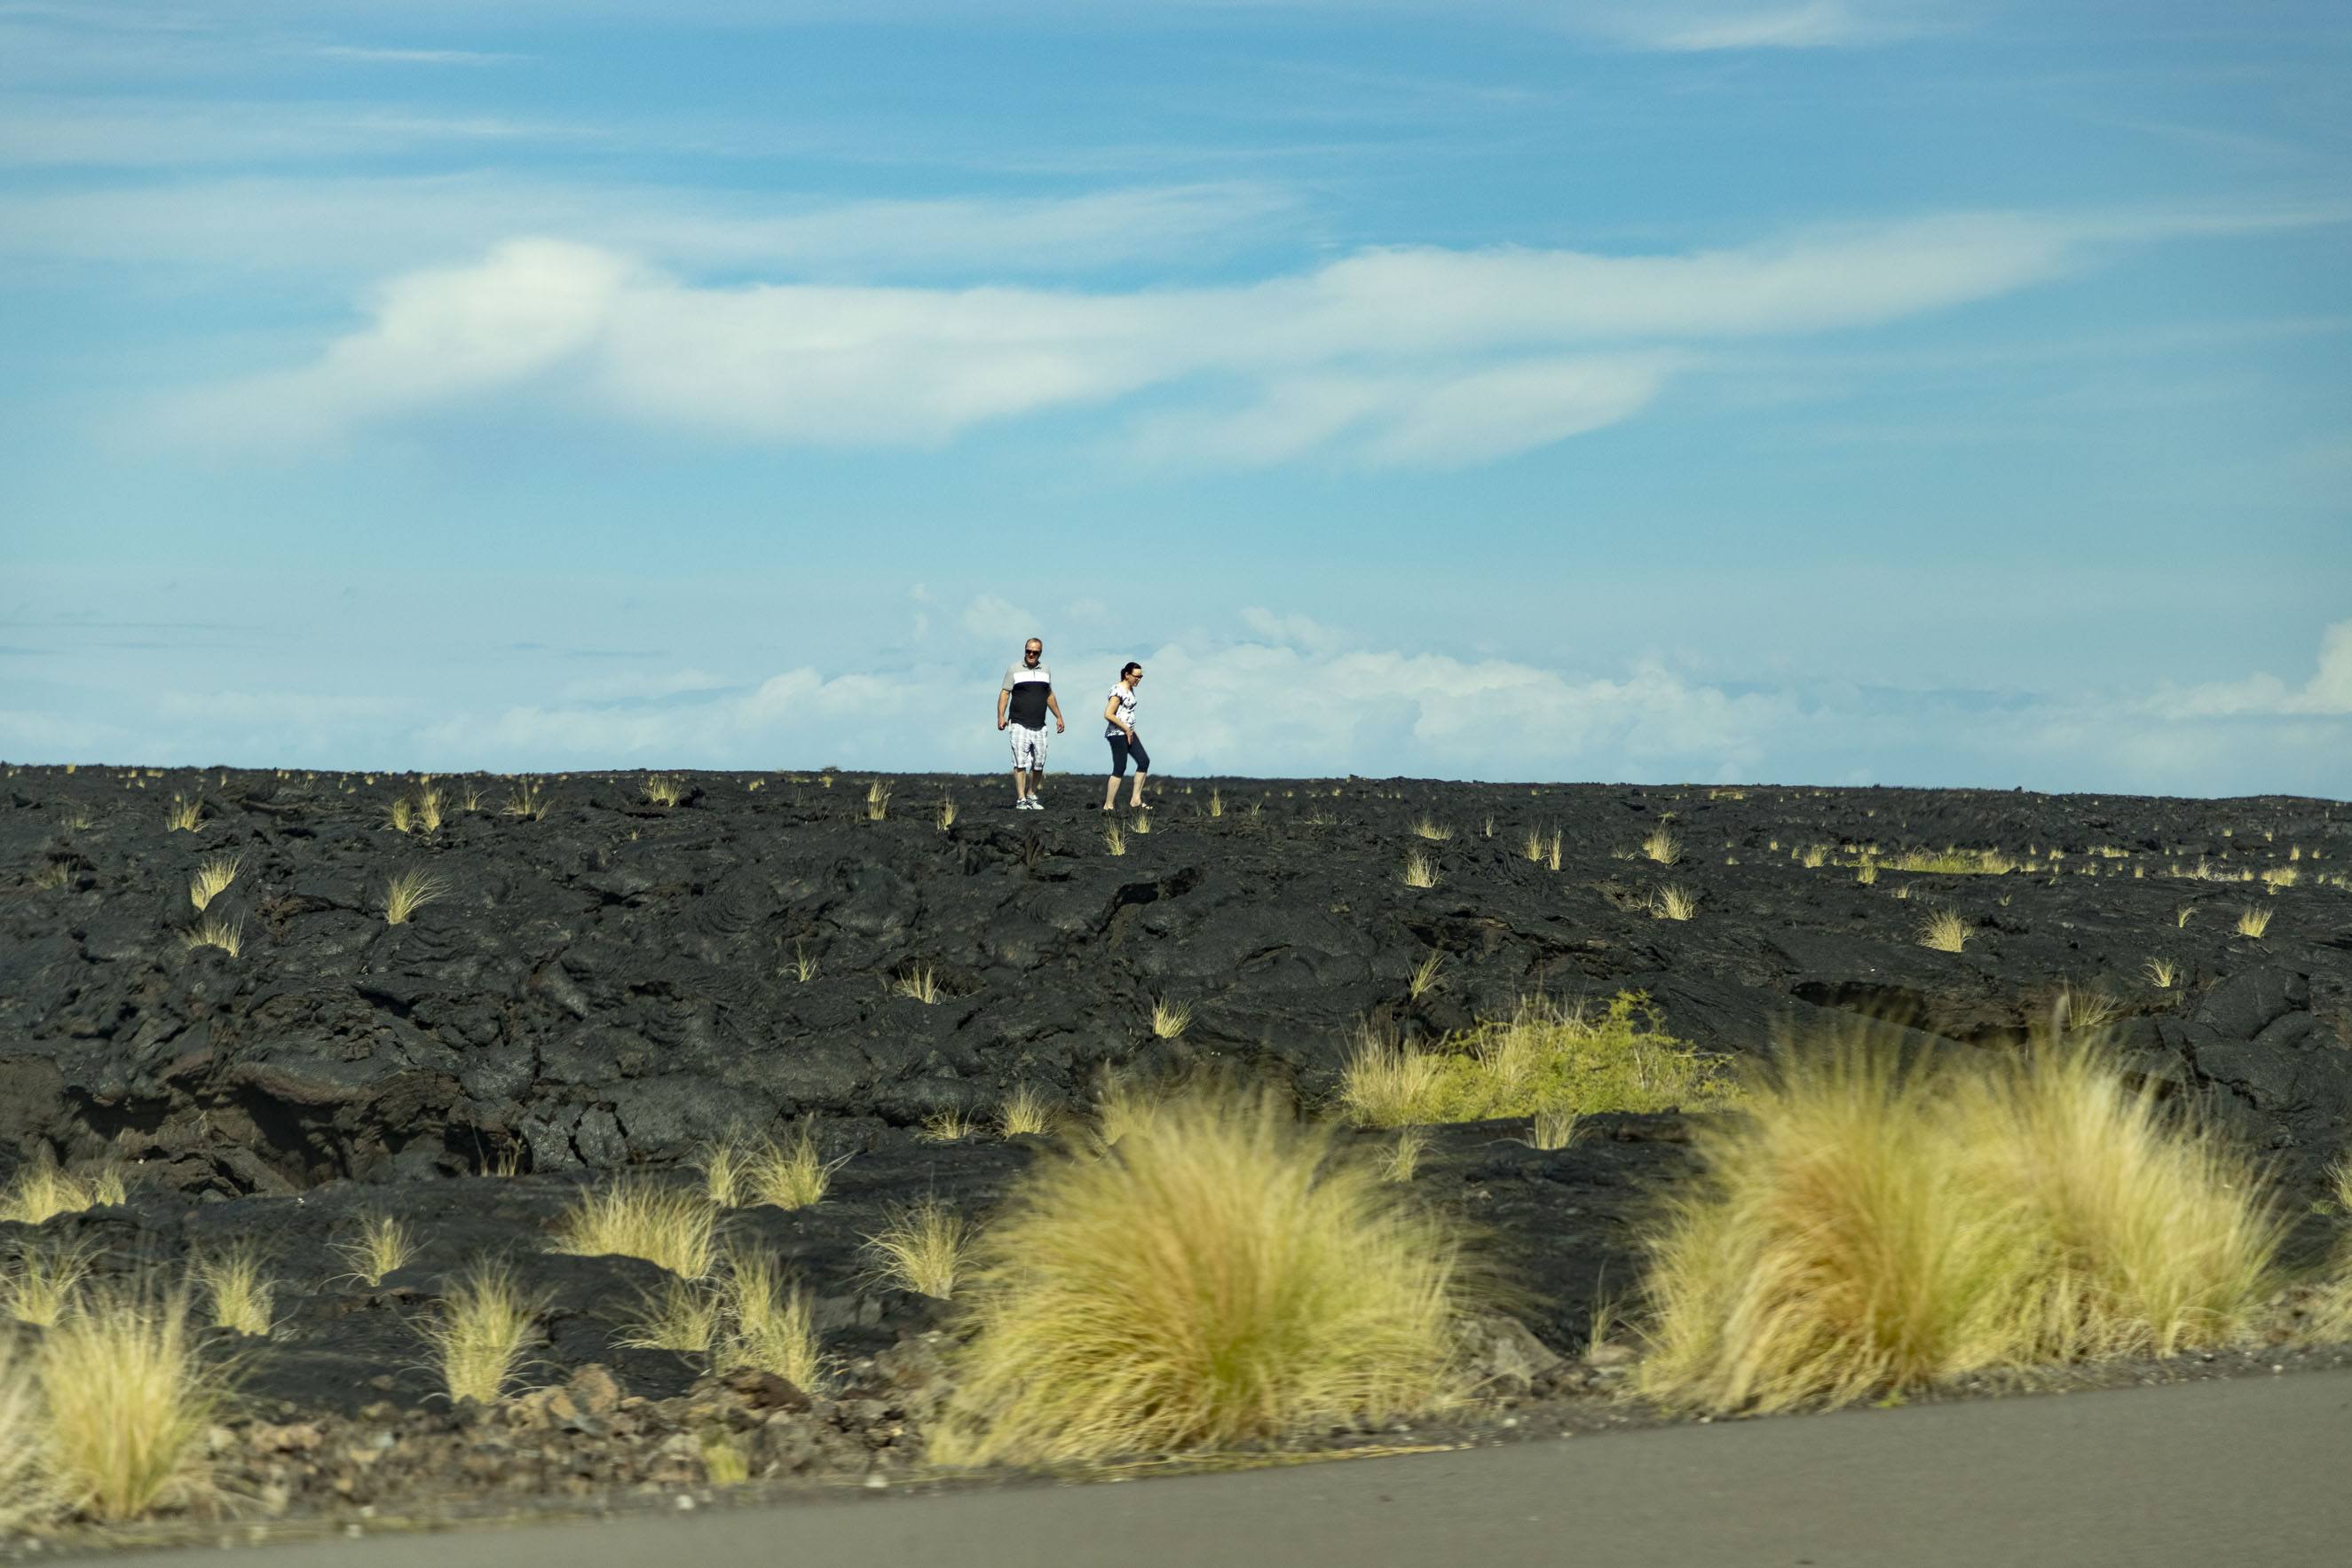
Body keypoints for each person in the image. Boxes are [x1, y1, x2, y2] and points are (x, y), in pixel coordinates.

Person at [995, 636, 1064, 810]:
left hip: (1040, 724)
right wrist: (1000, 716)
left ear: (1040, 653)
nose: (1031, 654)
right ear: (1025, 650)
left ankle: (1032, 794)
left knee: (1039, 762)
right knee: (1020, 762)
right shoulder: (1014, 669)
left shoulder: (1046, 670)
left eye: (1035, 652)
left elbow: (1049, 694)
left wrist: (1059, 716)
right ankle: (1021, 798)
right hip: (1019, 723)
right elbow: (1005, 693)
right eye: (1028, 651)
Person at [1101, 661, 1149, 812]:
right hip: (1117, 733)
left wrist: (1132, 731)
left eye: (1141, 677)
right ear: (1127, 675)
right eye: (1136, 676)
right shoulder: (1118, 690)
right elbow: (1108, 714)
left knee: (1143, 761)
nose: (1138, 679)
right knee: (1120, 767)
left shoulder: (1130, 690)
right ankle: (1108, 805)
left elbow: (1127, 714)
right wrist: (1126, 729)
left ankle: (1135, 799)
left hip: (1129, 733)